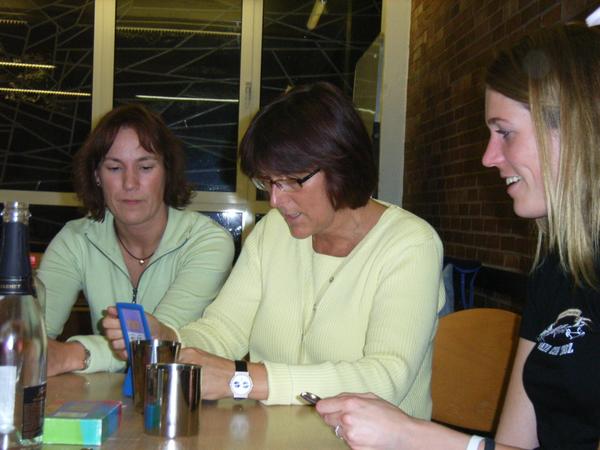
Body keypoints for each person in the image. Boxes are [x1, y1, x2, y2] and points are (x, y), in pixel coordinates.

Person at [315, 23, 600, 450]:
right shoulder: (555, 269)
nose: (489, 157)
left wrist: (411, 435)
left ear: (576, 128)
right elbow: (515, 442)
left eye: (505, 132)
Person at [132, 81, 447, 410]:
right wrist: (170, 341)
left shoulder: (410, 245)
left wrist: (243, 379)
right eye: (267, 182)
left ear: (341, 164)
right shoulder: (273, 232)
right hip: (275, 431)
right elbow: (225, 329)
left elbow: (386, 378)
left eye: (290, 181)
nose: (275, 200)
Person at [38, 104, 235, 376]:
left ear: (167, 172)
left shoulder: (207, 243)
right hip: (101, 396)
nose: (130, 183)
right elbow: (31, 332)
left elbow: (162, 344)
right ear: (97, 176)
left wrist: (76, 354)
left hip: (181, 395)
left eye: (145, 167)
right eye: (114, 167)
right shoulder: (75, 240)